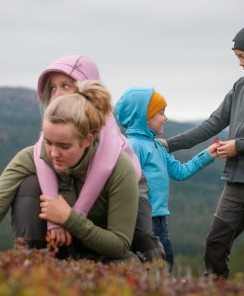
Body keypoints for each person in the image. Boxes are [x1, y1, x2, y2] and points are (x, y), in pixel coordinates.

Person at [159, 19, 244, 279]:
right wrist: (170, 144)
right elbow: (213, 123)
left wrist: (239, 147)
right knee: (215, 245)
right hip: (234, 184)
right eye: (238, 57)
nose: (240, 63)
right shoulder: (240, 86)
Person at [0, 80, 139, 262]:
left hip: (103, 255)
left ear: (87, 140)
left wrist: (69, 218)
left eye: (64, 146)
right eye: (47, 142)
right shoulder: (30, 157)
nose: (53, 153)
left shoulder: (120, 168)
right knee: (29, 184)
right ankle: (32, 263)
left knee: (128, 263)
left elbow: (120, 245)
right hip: (52, 250)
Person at [33, 55, 164, 262]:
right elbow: (41, 161)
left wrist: (70, 218)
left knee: (142, 237)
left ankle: (158, 274)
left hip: (131, 183)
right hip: (92, 189)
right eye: (53, 88)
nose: (57, 94)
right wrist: (55, 224)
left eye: (65, 86)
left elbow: (101, 170)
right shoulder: (56, 128)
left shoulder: (105, 123)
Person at [115, 87, 220, 271]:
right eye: (161, 113)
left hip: (161, 219)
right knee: (154, 265)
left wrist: (208, 155)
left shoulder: (157, 146)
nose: (166, 118)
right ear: (143, 117)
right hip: (143, 220)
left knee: (165, 262)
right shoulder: (133, 147)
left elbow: (180, 171)